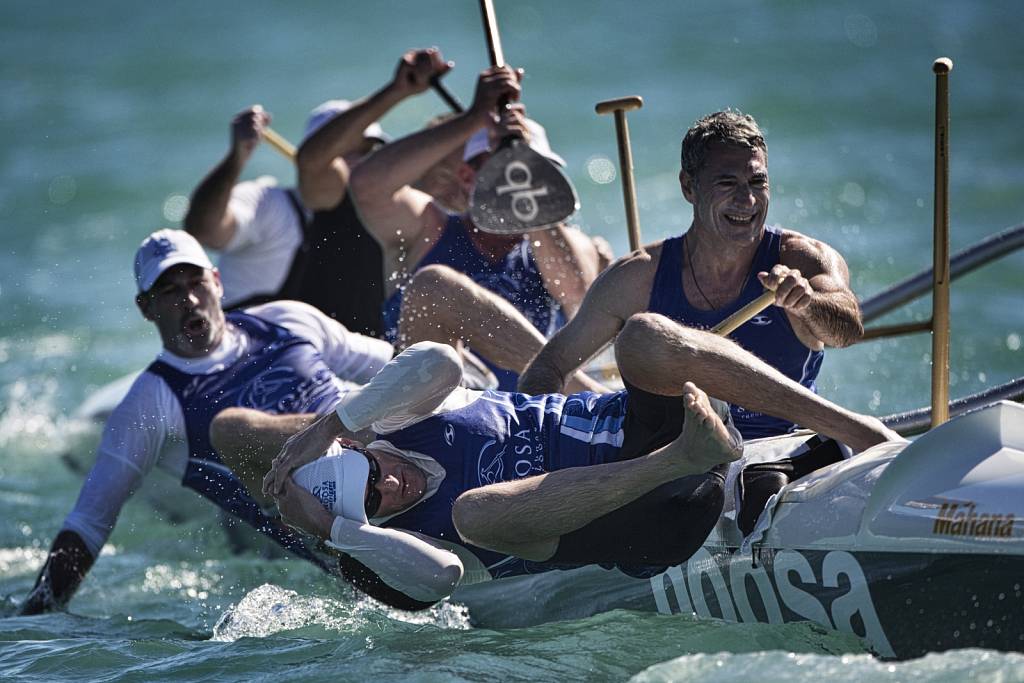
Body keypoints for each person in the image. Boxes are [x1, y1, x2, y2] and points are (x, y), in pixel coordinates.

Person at [228, 313, 897, 610]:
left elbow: (439, 362)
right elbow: (443, 578)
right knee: (472, 511)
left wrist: (333, 424)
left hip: (643, 429)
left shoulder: (394, 418)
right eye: (375, 500)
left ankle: (848, 425)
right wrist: (346, 529)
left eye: (373, 473)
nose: (391, 486)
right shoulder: (398, 542)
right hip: (646, 516)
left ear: (360, 450)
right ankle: (684, 458)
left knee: (643, 335)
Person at [17, 229, 395, 615]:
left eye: (196, 282)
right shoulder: (151, 402)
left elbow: (396, 364)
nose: (190, 300)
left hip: (400, 446)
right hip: (356, 531)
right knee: (232, 428)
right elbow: (89, 522)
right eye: (169, 291)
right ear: (146, 308)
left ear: (216, 282)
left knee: (435, 289)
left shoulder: (287, 321)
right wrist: (34, 615)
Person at [520, 110, 865, 439]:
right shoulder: (639, 276)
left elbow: (847, 330)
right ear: (689, 186)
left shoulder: (803, 259)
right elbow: (546, 370)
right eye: (727, 183)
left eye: (757, 182)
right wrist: (552, 443)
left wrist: (808, 304)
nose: (747, 200)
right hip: (680, 463)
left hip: (784, 448)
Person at [348, 53, 605, 391]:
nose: (519, 177)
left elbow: (576, 294)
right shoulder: (427, 228)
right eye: (503, 168)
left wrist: (520, 164)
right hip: (438, 406)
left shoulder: (573, 243)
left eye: (532, 169)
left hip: (533, 412)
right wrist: (475, 118)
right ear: (468, 178)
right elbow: (366, 186)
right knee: (436, 285)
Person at [184, 91, 393, 336]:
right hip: (253, 359)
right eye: (349, 153)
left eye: (369, 153)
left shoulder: (384, 216)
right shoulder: (268, 206)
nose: (362, 165)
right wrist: (236, 159)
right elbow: (204, 231)